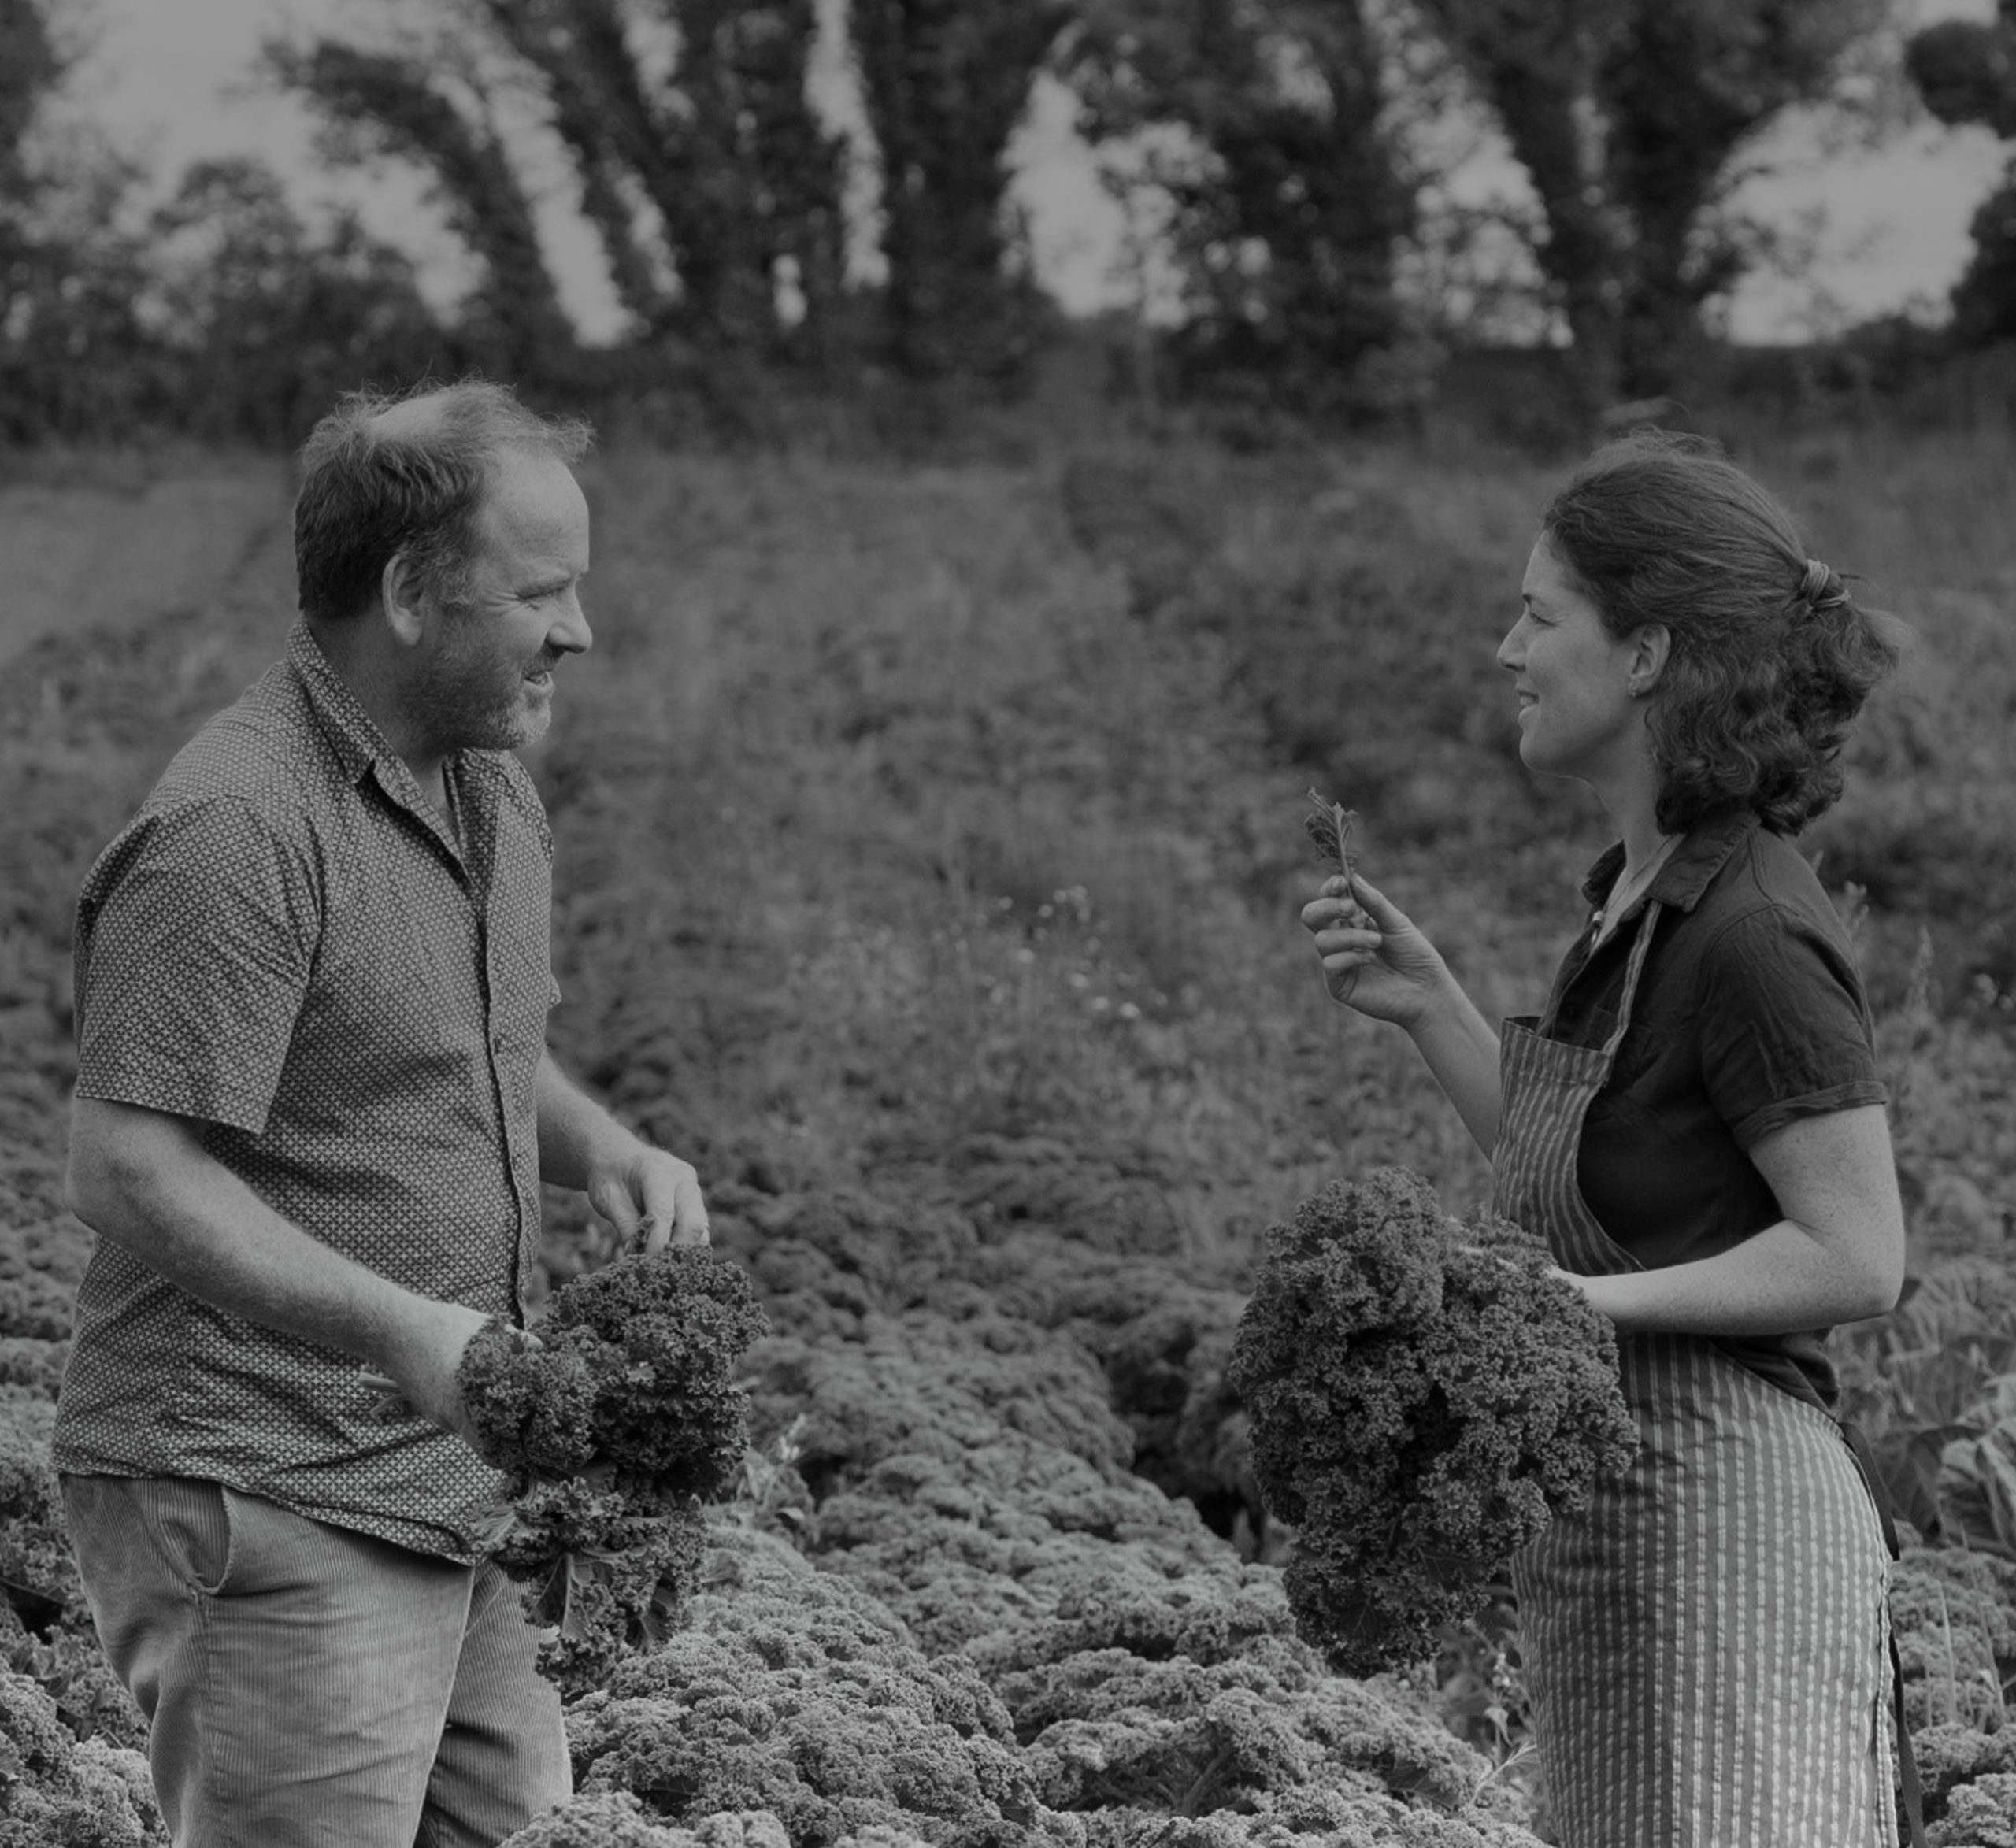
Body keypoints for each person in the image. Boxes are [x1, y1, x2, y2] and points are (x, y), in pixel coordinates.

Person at [54, 379, 709, 1848]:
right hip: (271, 1477)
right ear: (411, 591)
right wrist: (406, 1332)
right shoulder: (242, 826)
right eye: (540, 592)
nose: (580, 630)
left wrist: (604, 1146)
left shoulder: (482, 787)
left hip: (457, 1476)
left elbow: (467, 1043)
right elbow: (127, 1166)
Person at [1302, 430, 1914, 1847]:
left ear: (1645, 655)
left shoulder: (1753, 931)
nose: (1507, 649)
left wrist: (1572, 1309)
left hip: (1730, 1533)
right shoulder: (1639, 899)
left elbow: (1856, 1253)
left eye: (1540, 615)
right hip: (1629, 1537)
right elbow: (1600, 1188)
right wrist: (1433, 1007)